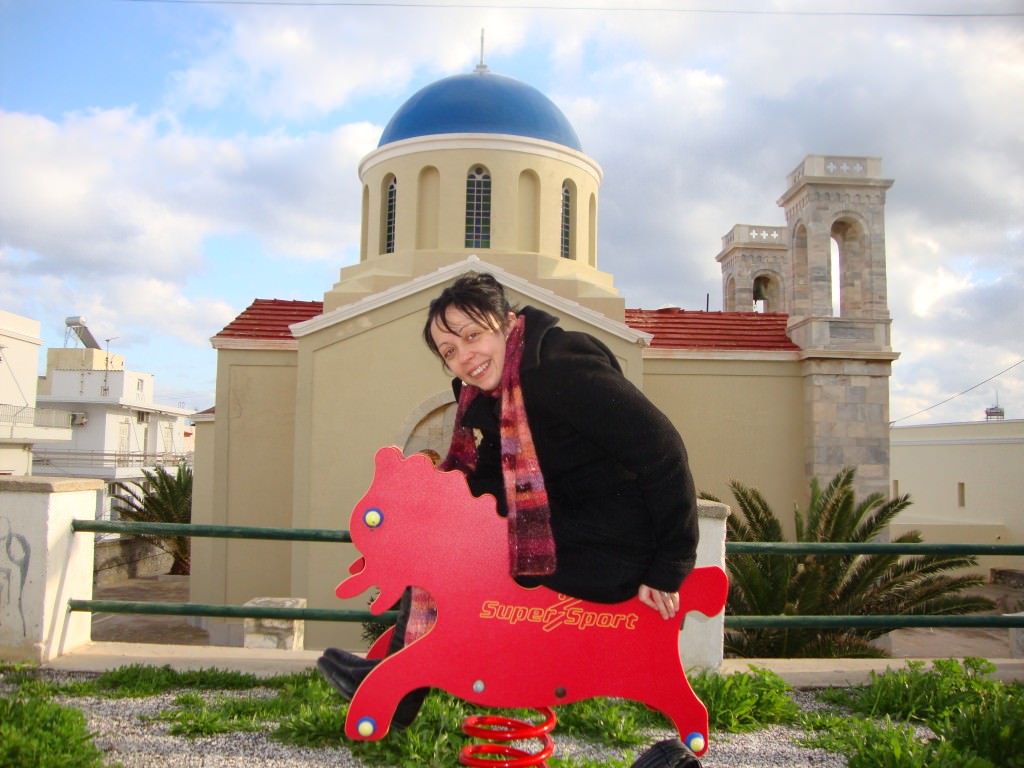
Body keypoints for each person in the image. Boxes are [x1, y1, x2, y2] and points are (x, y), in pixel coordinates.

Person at [319, 272, 701, 767]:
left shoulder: (560, 367)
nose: (464, 357)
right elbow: (490, 487)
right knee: (441, 544)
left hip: (613, 544)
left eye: (472, 336)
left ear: (504, 322)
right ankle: (398, 679)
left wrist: (670, 566)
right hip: (566, 531)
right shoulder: (494, 393)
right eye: (449, 351)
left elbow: (662, 450)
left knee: (456, 559)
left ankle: (400, 687)